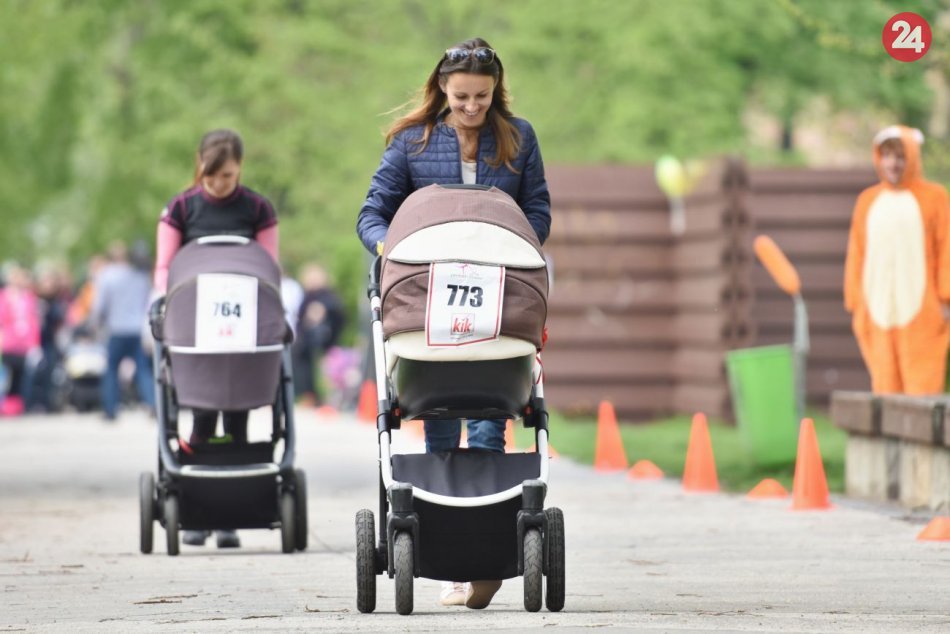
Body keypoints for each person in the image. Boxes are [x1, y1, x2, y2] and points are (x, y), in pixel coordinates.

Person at [356, 38, 551, 609]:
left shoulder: (518, 138)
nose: (471, 107)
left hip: (497, 289)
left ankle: (486, 546)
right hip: (429, 294)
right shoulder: (412, 143)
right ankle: (448, 541)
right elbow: (373, 212)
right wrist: (389, 245)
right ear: (442, 88)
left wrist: (521, 242)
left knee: (493, 407)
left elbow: (537, 206)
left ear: (497, 91)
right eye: (462, 96)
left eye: (482, 97)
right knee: (437, 404)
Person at [154, 128, 279, 549]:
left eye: (226, 176)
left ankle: (230, 514)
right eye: (211, 177)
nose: (219, 184)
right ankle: (198, 512)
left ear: (239, 168)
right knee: (204, 416)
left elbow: (268, 268)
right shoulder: (181, 208)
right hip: (197, 327)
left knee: (240, 414)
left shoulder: (257, 208)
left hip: (243, 322)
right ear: (200, 167)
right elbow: (165, 267)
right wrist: (161, 303)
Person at [844, 125, 950, 394]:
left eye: (900, 156)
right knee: (884, 384)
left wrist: (945, 297)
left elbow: (946, 246)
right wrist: (855, 299)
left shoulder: (935, 198)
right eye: (888, 155)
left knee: (921, 384)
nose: (893, 163)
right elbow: (857, 252)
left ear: (912, 157)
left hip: (923, 308)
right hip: (877, 308)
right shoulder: (867, 201)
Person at [92, 241, 155, 420]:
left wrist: (95, 324)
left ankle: (110, 409)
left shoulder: (106, 276)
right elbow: (147, 302)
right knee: (143, 369)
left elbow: (100, 305)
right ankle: (152, 403)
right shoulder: (140, 276)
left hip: (116, 329)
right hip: (136, 329)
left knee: (111, 369)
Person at [292, 263, 345, 408]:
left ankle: (321, 398)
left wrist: (322, 310)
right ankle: (309, 395)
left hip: (324, 341)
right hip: (306, 340)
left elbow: (338, 315)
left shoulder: (328, 296)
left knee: (322, 368)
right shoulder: (307, 295)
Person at [0, 265, 41, 416]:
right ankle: (4, 404)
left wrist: (35, 344)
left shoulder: (28, 298)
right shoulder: (3, 297)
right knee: (5, 376)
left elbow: (33, 321)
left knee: (21, 376)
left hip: (24, 344)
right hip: (7, 342)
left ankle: (16, 406)